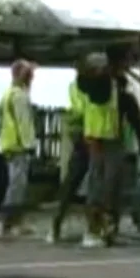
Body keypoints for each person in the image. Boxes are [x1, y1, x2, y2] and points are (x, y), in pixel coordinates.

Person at [76, 51, 124, 248]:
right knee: (101, 185)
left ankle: (104, 227)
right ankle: (96, 228)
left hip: (104, 136)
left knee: (106, 185)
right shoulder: (98, 85)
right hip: (101, 137)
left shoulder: (105, 85)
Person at [49, 59, 91, 243]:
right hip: (88, 133)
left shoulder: (76, 87)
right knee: (89, 182)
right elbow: (82, 109)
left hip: (84, 133)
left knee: (74, 182)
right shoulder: (82, 87)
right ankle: (58, 224)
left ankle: (56, 225)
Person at [0, 60, 37, 237]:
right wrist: (30, 145)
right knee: (17, 185)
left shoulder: (7, 94)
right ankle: (12, 223)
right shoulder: (19, 96)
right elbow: (24, 123)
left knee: (14, 183)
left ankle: (10, 222)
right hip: (19, 144)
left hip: (8, 143)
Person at [114, 74, 140, 237]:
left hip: (111, 148)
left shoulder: (108, 100)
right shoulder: (128, 99)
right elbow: (138, 125)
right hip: (128, 148)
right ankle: (137, 221)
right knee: (133, 187)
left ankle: (113, 222)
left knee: (113, 188)